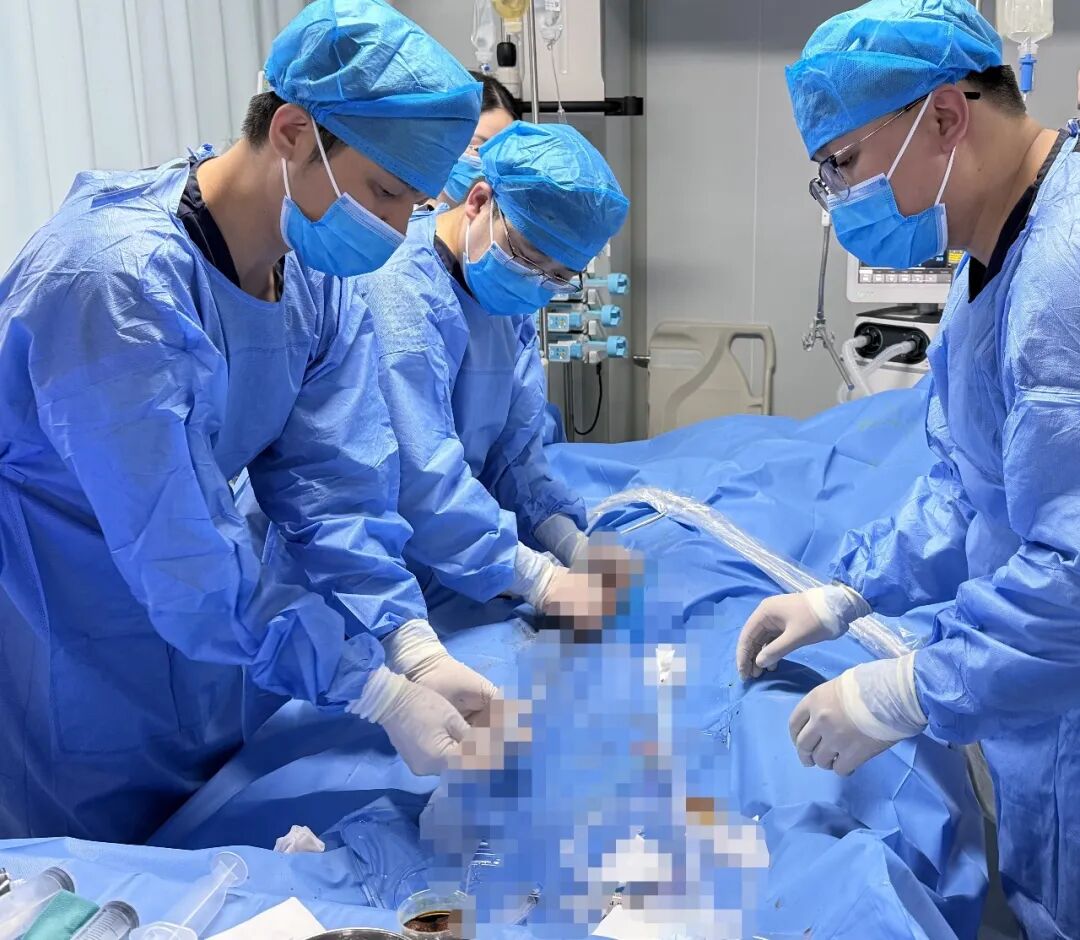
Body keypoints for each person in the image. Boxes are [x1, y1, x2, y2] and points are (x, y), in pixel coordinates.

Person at [0, 0, 491, 843]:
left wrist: (411, 645)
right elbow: (182, 554)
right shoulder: (114, 286)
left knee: (205, 821)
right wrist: (373, 691)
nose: (394, 230)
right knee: (91, 866)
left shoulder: (313, 279)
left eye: (413, 205)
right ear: (293, 132)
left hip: (197, 603)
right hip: (62, 612)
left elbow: (332, 489)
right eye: (383, 192)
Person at [735, 0, 1080, 934]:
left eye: (843, 163)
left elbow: (1074, 571)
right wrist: (844, 593)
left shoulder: (1064, 274)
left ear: (945, 117)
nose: (837, 196)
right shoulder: (989, 260)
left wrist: (909, 689)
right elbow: (967, 488)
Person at [358, 121, 632, 630]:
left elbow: (515, 452)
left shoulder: (508, 298)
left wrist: (570, 542)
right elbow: (420, 478)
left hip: (449, 556)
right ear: (479, 201)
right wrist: (541, 580)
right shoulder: (400, 290)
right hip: (369, 564)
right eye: (529, 257)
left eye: (559, 276)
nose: (537, 283)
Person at [430, 72, 518, 209]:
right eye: (477, 148)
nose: (492, 160)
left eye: (502, 151)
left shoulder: (507, 222)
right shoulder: (402, 217)